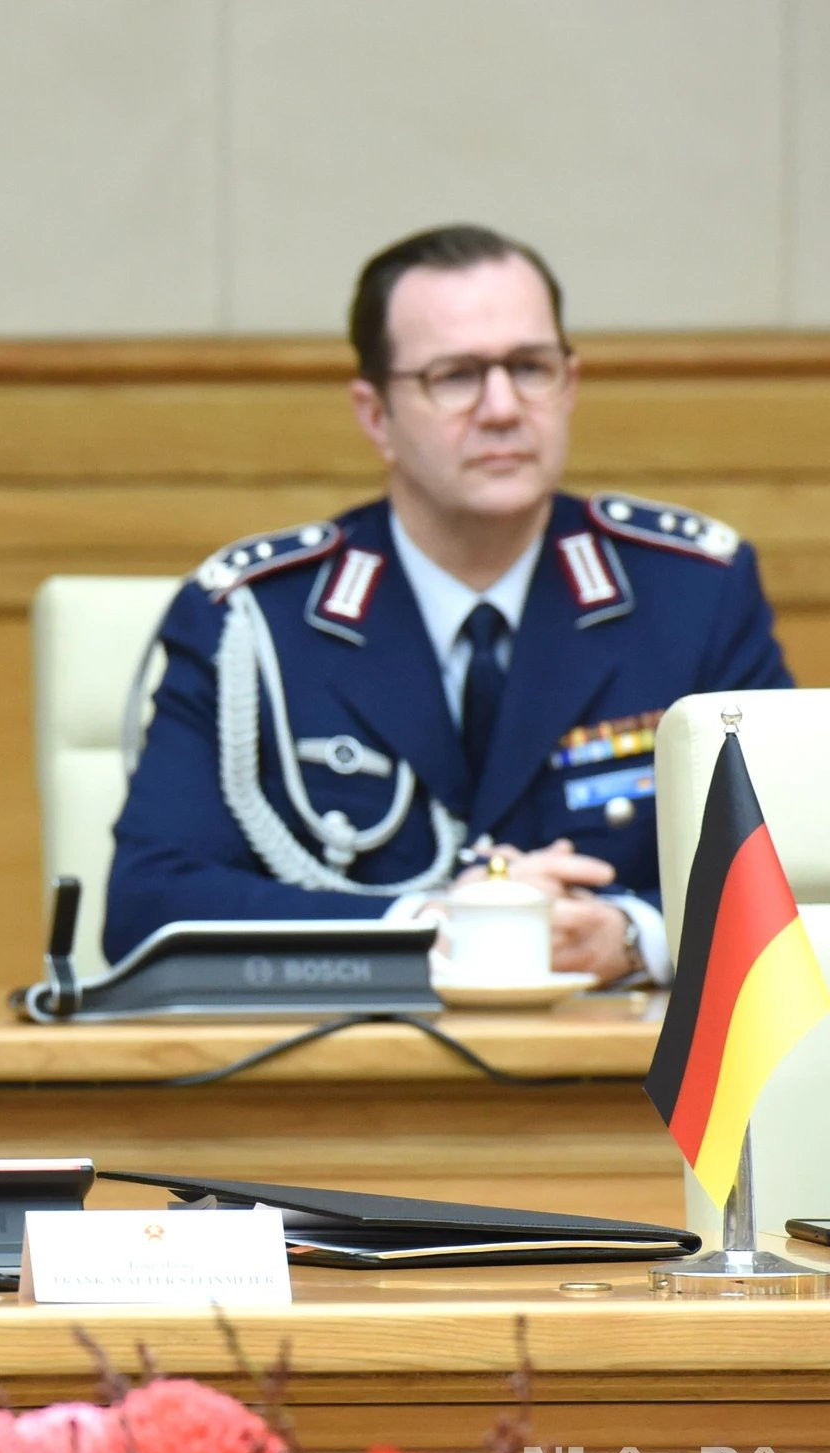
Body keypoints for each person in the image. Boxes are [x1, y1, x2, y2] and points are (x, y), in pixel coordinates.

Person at [106, 225, 790, 985]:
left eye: (530, 368)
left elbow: (796, 867)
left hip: (621, 1085)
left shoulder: (693, 593)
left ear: (569, 385)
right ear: (375, 416)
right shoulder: (253, 618)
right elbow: (147, 904)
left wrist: (634, 936)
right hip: (344, 1081)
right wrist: (426, 927)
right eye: (455, 376)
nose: (501, 408)